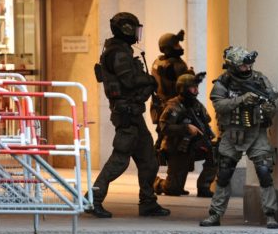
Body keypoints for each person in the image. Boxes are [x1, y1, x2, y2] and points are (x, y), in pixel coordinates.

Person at [87, 12, 170, 218]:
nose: (136, 34)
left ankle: (148, 202)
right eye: (134, 29)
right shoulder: (118, 53)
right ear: (126, 29)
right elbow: (130, 81)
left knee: (149, 160)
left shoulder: (121, 50)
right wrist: (150, 80)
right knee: (120, 160)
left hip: (133, 113)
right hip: (126, 113)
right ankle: (92, 199)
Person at [200, 46, 278, 229]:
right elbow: (219, 105)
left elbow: (274, 100)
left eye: (249, 64)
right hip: (231, 133)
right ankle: (215, 214)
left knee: (263, 171)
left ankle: (270, 214)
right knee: (224, 173)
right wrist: (242, 99)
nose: (248, 68)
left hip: (256, 132)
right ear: (233, 66)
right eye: (243, 66)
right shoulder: (223, 82)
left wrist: (268, 107)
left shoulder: (259, 79)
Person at [153, 72, 217, 197]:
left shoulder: (196, 105)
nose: (196, 91)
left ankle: (204, 187)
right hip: (177, 148)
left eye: (197, 88)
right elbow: (164, 127)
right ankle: (155, 182)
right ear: (183, 89)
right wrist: (186, 128)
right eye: (193, 88)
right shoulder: (173, 105)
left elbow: (207, 119)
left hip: (194, 146)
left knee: (216, 153)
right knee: (173, 190)